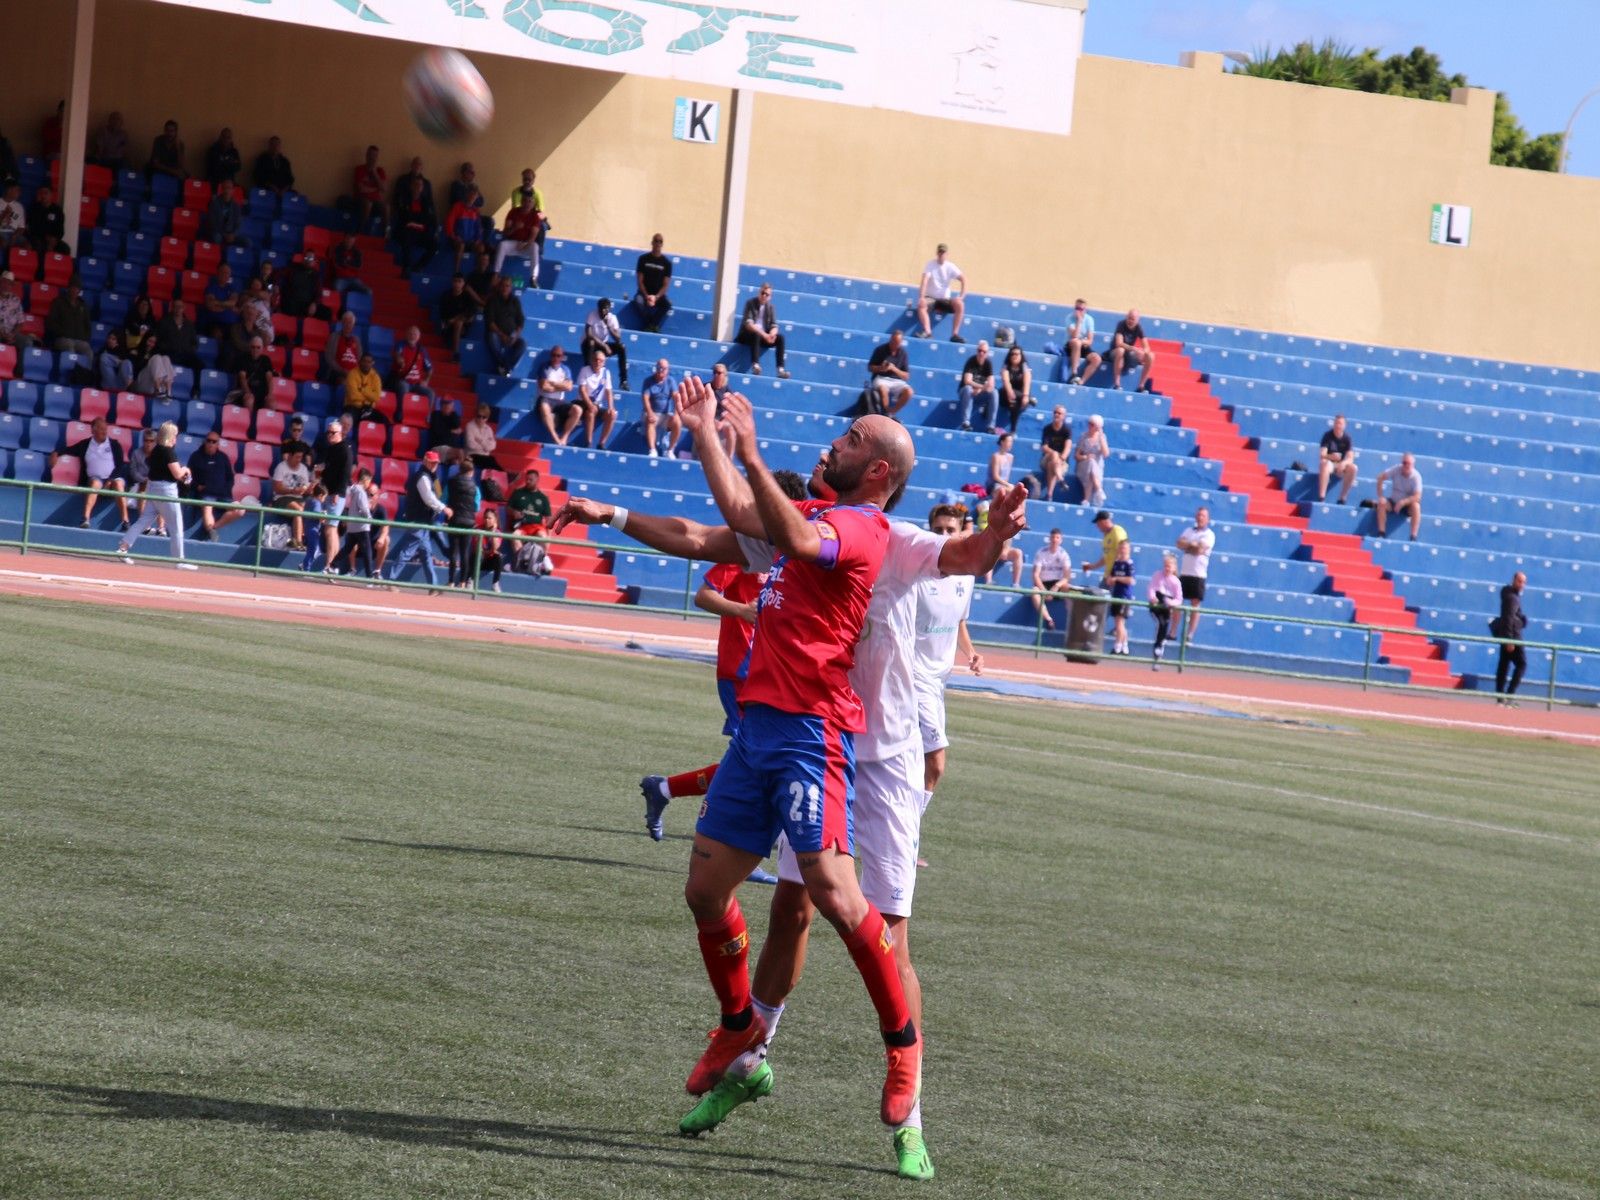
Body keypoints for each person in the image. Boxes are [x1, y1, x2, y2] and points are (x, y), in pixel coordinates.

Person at [569, 379, 1026, 1177]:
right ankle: (749, 1055)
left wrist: (992, 535)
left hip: (872, 753)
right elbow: (717, 529)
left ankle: (909, 1112)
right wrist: (622, 503)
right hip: (792, 731)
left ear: (878, 470)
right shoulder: (800, 523)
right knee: (788, 910)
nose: (835, 442)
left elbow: (966, 557)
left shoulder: (890, 536)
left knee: (882, 927)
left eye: (853, 438)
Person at [912, 503, 983, 810]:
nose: (944, 535)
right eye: (938, 529)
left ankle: (900, 839)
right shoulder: (914, 573)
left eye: (950, 530)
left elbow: (958, 622)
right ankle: (906, 841)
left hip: (939, 680)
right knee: (935, 762)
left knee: (912, 764)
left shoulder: (966, 576)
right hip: (912, 676)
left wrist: (971, 652)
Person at [117, 421, 194, 569]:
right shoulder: (168, 451)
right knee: (176, 525)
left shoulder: (156, 450)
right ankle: (179, 561)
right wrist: (186, 469)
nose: (175, 439)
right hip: (166, 491)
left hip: (153, 488)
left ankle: (123, 548)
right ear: (170, 436)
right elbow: (178, 474)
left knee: (143, 521)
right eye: (175, 436)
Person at [52, 417, 131, 529]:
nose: (104, 431)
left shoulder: (114, 444)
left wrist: (110, 479)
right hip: (96, 479)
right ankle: (85, 519)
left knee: (119, 484)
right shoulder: (85, 444)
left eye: (105, 429)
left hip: (114, 479)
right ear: (93, 430)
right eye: (101, 429)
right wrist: (56, 453)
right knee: (95, 483)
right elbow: (68, 449)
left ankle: (125, 521)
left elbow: (120, 465)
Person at [389, 451, 449, 589]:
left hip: (423, 521)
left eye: (436, 463)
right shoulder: (422, 477)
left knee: (426, 555)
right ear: (426, 461)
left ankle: (433, 587)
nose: (435, 465)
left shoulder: (431, 477)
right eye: (433, 462)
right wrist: (444, 508)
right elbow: (428, 498)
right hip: (418, 520)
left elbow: (437, 494)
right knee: (408, 552)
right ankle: (390, 580)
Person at [186, 431, 244, 541]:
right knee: (207, 507)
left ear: (218, 444)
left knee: (240, 510)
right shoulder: (196, 456)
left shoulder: (223, 458)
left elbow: (230, 477)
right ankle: (211, 532)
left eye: (214, 441)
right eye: (209, 441)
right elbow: (188, 477)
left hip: (223, 496)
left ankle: (213, 527)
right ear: (205, 442)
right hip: (206, 495)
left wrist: (226, 490)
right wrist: (197, 486)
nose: (211, 443)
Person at [313, 418, 353, 570]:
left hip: (336, 493)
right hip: (330, 491)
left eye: (333, 433)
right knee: (332, 528)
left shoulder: (344, 450)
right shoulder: (332, 449)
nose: (329, 435)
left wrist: (338, 493)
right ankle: (332, 566)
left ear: (340, 433)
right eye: (328, 432)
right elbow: (330, 469)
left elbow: (345, 473)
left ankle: (330, 565)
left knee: (330, 528)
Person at [1174, 505, 1215, 641]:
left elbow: (1200, 550)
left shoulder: (1209, 534)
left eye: (1203, 516)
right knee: (1178, 601)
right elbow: (1179, 543)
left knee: (1195, 604)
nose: (1200, 518)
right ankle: (1173, 631)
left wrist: (1189, 546)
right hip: (1185, 572)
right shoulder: (1188, 530)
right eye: (1198, 515)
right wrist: (1193, 545)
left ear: (1208, 519)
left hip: (1198, 574)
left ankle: (1189, 634)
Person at [913, 244, 965, 342]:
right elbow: (924, 280)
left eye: (943, 252)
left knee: (960, 304)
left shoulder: (950, 266)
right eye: (940, 252)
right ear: (937, 253)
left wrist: (961, 296)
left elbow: (963, 279)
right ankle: (927, 332)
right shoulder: (930, 265)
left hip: (945, 300)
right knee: (921, 304)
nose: (941, 254)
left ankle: (955, 334)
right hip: (931, 298)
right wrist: (922, 297)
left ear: (947, 254)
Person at [1493, 571, 1528, 706]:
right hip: (1512, 636)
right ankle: (1509, 695)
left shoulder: (1509, 594)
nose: (1522, 584)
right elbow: (1508, 618)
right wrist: (1510, 639)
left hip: (1506, 634)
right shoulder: (1512, 598)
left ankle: (1500, 697)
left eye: (1524, 582)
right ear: (1514, 580)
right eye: (1520, 581)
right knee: (1521, 664)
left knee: (1504, 664)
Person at [738, 284, 789, 378]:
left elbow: (774, 325)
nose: (764, 296)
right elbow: (749, 324)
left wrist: (772, 335)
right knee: (756, 333)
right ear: (759, 293)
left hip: (762, 336)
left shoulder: (771, 307)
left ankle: (780, 369)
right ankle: (755, 365)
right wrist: (764, 335)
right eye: (762, 293)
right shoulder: (750, 303)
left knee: (780, 338)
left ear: (770, 297)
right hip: (747, 335)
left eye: (767, 294)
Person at [270, 443, 314, 550]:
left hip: (299, 498)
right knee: (298, 510)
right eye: (297, 457)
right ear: (290, 456)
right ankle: (298, 542)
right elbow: (277, 488)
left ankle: (309, 541)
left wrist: (310, 487)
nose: (299, 460)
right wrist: (292, 490)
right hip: (282, 498)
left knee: (310, 508)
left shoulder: (303, 469)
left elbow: (306, 488)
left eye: (301, 457)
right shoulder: (281, 467)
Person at [534, 344, 580, 445]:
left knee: (577, 410)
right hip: (545, 399)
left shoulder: (565, 369)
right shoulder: (544, 367)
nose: (555, 358)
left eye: (558, 356)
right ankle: (555, 437)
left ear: (562, 357)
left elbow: (569, 387)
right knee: (544, 407)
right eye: (554, 355)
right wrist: (561, 386)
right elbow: (544, 387)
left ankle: (564, 437)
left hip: (559, 402)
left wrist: (553, 383)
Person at [444, 455, 479, 588]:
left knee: (454, 552)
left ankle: (451, 581)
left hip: (454, 520)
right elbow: (476, 506)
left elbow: (444, 499)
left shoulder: (451, 482)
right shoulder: (475, 487)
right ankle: (463, 582)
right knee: (465, 553)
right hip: (468, 522)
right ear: (472, 472)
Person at [393, 174, 437, 279]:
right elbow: (404, 216)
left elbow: (430, 219)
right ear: (411, 186)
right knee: (406, 238)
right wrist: (418, 220)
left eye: (420, 185)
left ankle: (418, 266)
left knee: (434, 244)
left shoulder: (426, 201)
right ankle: (406, 268)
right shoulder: (404, 198)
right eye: (416, 184)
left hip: (421, 232)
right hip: (406, 231)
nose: (418, 187)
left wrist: (414, 221)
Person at [337, 467, 379, 578]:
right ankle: (370, 577)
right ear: (365, 480)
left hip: (352, 526)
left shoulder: (353, 490)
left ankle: (331, 565)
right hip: (361, 526)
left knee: (347, 548)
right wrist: (369, 518)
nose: (369, 484)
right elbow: (364, 508)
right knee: (367, 552)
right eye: (369, 481)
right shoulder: (361, 492)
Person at [1374, 453, 1424, 540]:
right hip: (1393, 501)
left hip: (1407, 506)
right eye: (1404, 463)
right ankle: (1381, 533)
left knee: (1416, 506)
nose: (1406, 465)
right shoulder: (1396, 469)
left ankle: (1413, 536)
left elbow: (1418, 496)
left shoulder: (1416, 476)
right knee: (1382, 503)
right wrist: (1380, 495)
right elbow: (1380, 477)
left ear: (1413, 465)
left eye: (1409, 463)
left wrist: (1403, 502)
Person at [582, 296, 629, 389]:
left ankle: (623, 380)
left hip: (602, 345)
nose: (602, 313)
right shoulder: (592, 315)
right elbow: (589, 334)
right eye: (600, 310)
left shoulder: (612, 318)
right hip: (589, 344)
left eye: (605, 310)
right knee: (591, 343)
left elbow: (618, 338)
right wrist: (604, 346)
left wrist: (608, 326)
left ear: (608, 310)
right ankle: (588, 372)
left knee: (622, 347)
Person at [1030, 527, 1072, 631]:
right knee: (1034, 592)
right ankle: (1048, 620)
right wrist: (1043, 590)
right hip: (1042, 583)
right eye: (1053, 537)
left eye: (1057, 538)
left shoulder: (1063, 554)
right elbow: (1035, 575)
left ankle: (1072, 620)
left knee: (1069, 589)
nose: (1054, 540)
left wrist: (1056, 587)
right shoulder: (1041, 552)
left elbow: (1067, 577)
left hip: (1057, 584)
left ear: (1060, 540)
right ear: (1049, 539)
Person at [495, 192, 542, 283]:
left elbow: (533, 236)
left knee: (535, 247)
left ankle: (534, 277)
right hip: (513, 243)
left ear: (533, 204)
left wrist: (525, 245)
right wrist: (514, 228)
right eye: (525, 200)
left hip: (526, 244)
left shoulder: (535, 216)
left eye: (530, 201)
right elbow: (505, 233)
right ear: (521, 201)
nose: (527, 203)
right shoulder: (513, 212)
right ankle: (496, 273)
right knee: (502, 245)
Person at [1147, 553, 1183, 670]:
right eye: (1165, 566)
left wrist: (1170, 602)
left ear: (1174, 568)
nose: (1167, 568)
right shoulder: (1157, 575)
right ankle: (1158, 645)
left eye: (1169, 566)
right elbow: (1152, 588)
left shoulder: (1176, 582)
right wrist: (1153, 598)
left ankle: (1159, 649)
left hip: (1167, 607)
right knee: (1160, 623)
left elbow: (1178, 599)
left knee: (1164, 624)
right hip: (1157, 605)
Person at [483, 276, 525, 376]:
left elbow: (521, 320)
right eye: (503, 285)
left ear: (511, 288)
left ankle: (505, 367)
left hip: (511, 335)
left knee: (523, 344)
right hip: (497, 334)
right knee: (492, 337)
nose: (505, 288)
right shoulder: (492, 300)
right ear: (499, 286)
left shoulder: (515, 301)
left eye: (507, 286)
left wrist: (516, 335)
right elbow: (490, 322)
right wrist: (502, 335)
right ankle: (504, 365)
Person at [867, 329, 913, 418]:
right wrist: (881, 368)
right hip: (881, 377)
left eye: (897, 342)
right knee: (883, 389)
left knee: (909, 391)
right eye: (893, 341)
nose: (894, 344)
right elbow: (870, 367)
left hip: (896, 380)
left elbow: (906, 376)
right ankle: (886, 412)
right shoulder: (880, 350)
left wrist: (894, 369)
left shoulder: (903, 353)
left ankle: (892, 412)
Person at [576, 347, 616, 449]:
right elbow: (582, 390)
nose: (598, 362)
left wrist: (611, 407)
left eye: (601, 360)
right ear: (591, 360)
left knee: (612, 415)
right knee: (591, 411)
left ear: (604, 362)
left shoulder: (606, 373)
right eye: (596, 359)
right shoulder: (584, 370)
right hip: (583, 402)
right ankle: (589, 442)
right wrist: (589, 404)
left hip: (597, 404)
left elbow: (608, 391)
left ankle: (602, 443)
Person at [633, 233, 673, 332]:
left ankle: (651, 325)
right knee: (638, 301)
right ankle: (651, 325)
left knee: (667, 305)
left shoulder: (667, 263)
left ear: (662, 244)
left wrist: (656, 297)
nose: (658, 243)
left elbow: (665, 285)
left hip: (658, 295)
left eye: (660, 241)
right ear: (652, 242)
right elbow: (640, 281)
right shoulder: (643, 259)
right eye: (656, 240)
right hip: (643, 294)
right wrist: (647, 296)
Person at [641, 357, 681, 458]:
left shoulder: (671, 381)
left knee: (677, 422)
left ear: (668, 370)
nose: (661, 370)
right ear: (656, 368)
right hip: (653, 412)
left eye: (664, 368)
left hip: (665, 414)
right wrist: (650, 413)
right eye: (659, 367)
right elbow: (645, 398)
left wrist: (676, 414)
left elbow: (676, 397)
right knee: (650, 420)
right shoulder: (648, 381)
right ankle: (652, 450)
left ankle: (670, 450)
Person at [1109, 309, 1156, 392]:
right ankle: (1117, 384)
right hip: (1115, 352)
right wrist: (1134, 349)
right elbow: (1119, 343)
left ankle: (1141, 386)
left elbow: (1146, 346)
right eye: (1129, 318)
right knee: (1121, 350)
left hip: (1129, 355)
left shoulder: (1138, 327)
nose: (1130, 321)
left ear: (1137, 320)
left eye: (1133, 319)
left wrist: (1143, 352)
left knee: (1151, 356)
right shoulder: (1121, 324)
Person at [1083, 509, 1130, 593]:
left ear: (1103, 522)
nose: (1097, 527)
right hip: (1107, 576)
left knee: (1115, 602)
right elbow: (1106, 557)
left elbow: (1122, 553)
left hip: (1116, 576)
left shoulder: (1117, 532)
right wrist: (1092, 567)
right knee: (1100, 600)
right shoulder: (1106, 536)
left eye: (1098, 524)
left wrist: (1114, 574)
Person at [956, 339, 997, 432]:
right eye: (979, 351)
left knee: (995, 392)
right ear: (977, 351)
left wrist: (980, 390)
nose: (981, 353)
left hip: (979, 393)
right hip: (966, 392)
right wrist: (982, 387)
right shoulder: (971, 361)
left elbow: (991, 384)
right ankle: (966, 423)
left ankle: (991, 426)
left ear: (987, 353)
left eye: (984, 352)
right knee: (968, 389)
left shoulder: (988, 363)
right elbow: (967, 381)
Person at [443, 183, 485, 271]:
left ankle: (477, 272)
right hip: (457, 240)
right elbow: (449, 223)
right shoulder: (457, 206)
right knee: (461, 245)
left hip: (470, 241)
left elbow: (479, 228)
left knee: (481, 248)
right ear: (467, 194)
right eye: (471, 193)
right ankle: (457, 271)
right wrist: (453, 236)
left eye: (475, 194)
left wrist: (478, 239)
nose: (473, 196)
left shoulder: (476, 210)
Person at [1317, 414, 1359, 504]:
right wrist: (1331, 456)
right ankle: (1321, 497)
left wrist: (1343, 463)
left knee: (1353, 468)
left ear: (1344, 426)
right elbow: (1322, 454)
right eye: (1336, 423)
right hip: (1330, 464)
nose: (1337, 425)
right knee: (1324, 463)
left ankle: (1342, 498)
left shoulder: (1347, 438)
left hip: (1341, 466)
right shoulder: (1327, 436)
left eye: (1340, 423)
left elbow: (1350, 457)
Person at [45, 277, 92, 356]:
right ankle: (72, 368)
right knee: (69, 345)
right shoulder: (58, 302)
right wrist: (62, 333)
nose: (75, 290)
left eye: (77, 288)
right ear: (69, 288)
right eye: (73, 287)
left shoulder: (83, 305)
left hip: (79, 340)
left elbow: (88, 325)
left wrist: (84, 338)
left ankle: (87, 369)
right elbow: (51, 322)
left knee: (87, 349)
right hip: (62, 339)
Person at [228, 335, 275, 411]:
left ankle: (266, 423)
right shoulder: (243, 358)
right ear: (250, 347)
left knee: (272, 403)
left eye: (258, 347)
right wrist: (248, 392)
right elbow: (242, 378)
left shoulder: (266, 360)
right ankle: (249, 422)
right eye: (253, 347)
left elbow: (269, 378)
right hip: (246, 391)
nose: (255, 350)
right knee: (249, 399)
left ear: (262, 348)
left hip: (262, 393)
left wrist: (270, 394)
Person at [1036, 405, 1073, 501]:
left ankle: (1049, 494)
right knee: (1053, 455)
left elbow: (1068, 447)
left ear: (1064, 416)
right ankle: (1060, 479)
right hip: (1046, 459)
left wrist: (1060, 459)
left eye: (1059, 413)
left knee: (1052, 464)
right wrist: (1055, 454)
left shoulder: (1067, 430)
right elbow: (1044, 447)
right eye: (1055, 412)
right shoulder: (1047, 429)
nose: (1056, 415)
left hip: (1061, 463)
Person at [1106, 536, 1135, 655]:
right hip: (1116, 594)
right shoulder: (1116, 563)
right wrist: (1110, 580)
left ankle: (1117, 645)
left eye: (1125, 548)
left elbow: (1131, 580)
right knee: (1120, 623)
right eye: (1121, 548)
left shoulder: (1129, 564)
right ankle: (1125, 645)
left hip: (1124, 595)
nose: (1122, 550)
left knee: (1119, 621)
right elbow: (1110, 578)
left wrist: (1117, 578)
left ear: (1129, 549)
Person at [1064, 298, 1103, 385]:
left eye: (1081, 309)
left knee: (1097, 359)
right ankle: (1074, 373)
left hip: (1083, 345)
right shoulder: (1069, 318)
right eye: (1077, 308)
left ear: (1085, 310)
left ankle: (1081, 381)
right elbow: (1074, 336)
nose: (1078, 311)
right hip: (1071, 345)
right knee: (1076, 342)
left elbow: (1090, 341)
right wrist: (1079, 321)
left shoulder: (1089, 320)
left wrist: (1082, 342)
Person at [390, 326, 434, 402]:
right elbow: (396, 354)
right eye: (410, 334)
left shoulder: (422, 350)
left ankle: (427, 414)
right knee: (403, 387)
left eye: (415, 334)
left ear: (418, 337)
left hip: (417, 383)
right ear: (406, 335)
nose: (412, 336)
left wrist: (426, 381)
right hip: (403, 380)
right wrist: (399, 359)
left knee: (430, 393)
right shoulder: (401, 344)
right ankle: (400, 413)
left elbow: (429, 368)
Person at [1074, 413, 1109, 507]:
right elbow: (1076, 456)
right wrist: (1086, 457)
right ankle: (1099, 490)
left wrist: (1101, 437)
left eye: (1092, 424)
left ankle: (1086, 500)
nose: (1090, 426)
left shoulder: (1102, 437)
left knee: (1092, 468)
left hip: (1097, 468)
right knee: (1090, 463)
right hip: (1083, 466)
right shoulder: (1083, 437)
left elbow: (1106, 454)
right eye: (1089, 423)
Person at [437, 272, 477, 355]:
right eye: (455, 281)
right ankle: (455, 351)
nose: (457, 284)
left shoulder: (467, 296)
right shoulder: (446, 295)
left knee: (460, 322)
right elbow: (443, 314)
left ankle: (455, 352)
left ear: (463, 283)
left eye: (459, 281)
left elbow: (471, 311)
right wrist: (452, 320)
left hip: (464, 324)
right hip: (448, 324)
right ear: (452, 282)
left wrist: (456, 319)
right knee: (456, 324)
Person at [342, 353, 387, 426]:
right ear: (360, 361)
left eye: (369, 362)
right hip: (353, 406)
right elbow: (353, 396)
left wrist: (362, 390)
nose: (366, 364)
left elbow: (376, 397)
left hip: (368, 409)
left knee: (384, 421)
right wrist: (368, 398)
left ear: (373, 363)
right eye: (364, 361)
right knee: (350, 421)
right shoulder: (352, 374)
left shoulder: (375, 376)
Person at [352, 145, 388, 233]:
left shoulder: (380, 171)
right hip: (361, 199)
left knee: (387, 207)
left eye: (375, 155)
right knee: (368, 204)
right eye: (371, 155)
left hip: (376, 201)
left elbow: (384, 189)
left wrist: (375, 173)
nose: (373, 158)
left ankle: (385, 234)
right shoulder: (359, 169)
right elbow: (362, 189)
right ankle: (359, 232)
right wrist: (376, 189)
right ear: (367, 155)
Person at [205, 178, 248, 248]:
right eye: (224, 188)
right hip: (219, 232)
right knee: (217, 237)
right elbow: (212, 223)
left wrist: (233, 234)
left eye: (229, 188)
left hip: (231, 234)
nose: (227, 191)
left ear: (233, 190)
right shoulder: (214, 204)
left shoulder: (236, 206)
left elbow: (238, 223)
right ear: (221, 190)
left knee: (247, 242)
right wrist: (225, 235)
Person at [202, 263, 240, 340]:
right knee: (217, 334)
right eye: (223, 272)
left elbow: (233, 303)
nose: (225, 275)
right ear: (218, 273)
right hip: (215, 322)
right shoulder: (211, 288)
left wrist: (218, 303)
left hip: (232, 323)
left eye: (227, 273)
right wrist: (228, 306)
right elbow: (210, 305)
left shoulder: (232, 288)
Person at [998, 345, 1032, 431]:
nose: (1014, 356)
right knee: (1005, 393)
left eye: (1017, 354)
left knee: (1014, 404)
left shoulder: (1024, 367)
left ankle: (1013, 430)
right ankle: (1030, 399)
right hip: (1006, 394)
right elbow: (1006, 381)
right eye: (1012, 354)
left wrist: (1025, 395)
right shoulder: (1006, 367)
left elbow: (1027, 381)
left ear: (1021, 356)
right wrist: (1010, 392)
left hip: (1019, 397)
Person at [507, 469, 551, 534]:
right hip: (521, 526)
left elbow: (548, 517)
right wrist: (514, 512)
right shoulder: (518, 493)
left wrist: (549, 534)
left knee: (543, 536)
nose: (528, 481)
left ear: (537, 480)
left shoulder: (543, 497)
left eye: (530, 480)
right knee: (515, 536)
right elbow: (508, 508)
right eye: (527, 479)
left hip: (537, 527)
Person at [323, 311, 363, 381]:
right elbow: (329, 358)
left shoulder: (356, 340)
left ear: (353, 325)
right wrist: (343, 371)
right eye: (345, 322)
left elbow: (360, 359)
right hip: (337, 373)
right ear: (342, 323)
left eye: (350, 323)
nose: (347, 325)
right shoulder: (334, 337)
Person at [27, 185, 67, 254]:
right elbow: (31, 226)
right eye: (41, 193)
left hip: (53, 238)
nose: (43, 196)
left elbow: (60, 229)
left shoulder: (57, 210)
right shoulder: (34, 208)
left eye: (46, 193)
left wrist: (55, 239)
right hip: (38, 237)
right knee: (38, 245)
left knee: (65, 249)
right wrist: (45, 236)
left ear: (51, 195)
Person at [463, 401, 502, 471]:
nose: (481, 419)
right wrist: (485, 447)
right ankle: (504, 475)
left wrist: (480, 441)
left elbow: (493, 446)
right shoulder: (469, 426)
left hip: (485, 456)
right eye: (479, 416)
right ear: (476, 415)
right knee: (490, 461)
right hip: (472, 455)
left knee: (491, 459)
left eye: (484, 417)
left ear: (487, 418)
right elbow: (471, 445)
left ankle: (504, 475)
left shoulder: (489, 429)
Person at [0, 270, 34, 350]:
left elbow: (20, 322)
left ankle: (19, 363)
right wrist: (2, 334)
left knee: (27, 342)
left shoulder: (16, 300)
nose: (6, 286)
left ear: (12, 286)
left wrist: (13, 334)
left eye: (9, 284)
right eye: (4, 282)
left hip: (11, 333)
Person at [330, 232, 369, 296]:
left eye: (352, 241)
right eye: (348, 240)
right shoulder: (338, 249)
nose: (349, 242)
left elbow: (358, 265)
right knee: (336, 289)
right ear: (344, 239)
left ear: (354, 241)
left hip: (354, 279)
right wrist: (351, 264)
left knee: (368, 291)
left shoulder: (357, 252)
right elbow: (337, 264)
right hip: (341, 278)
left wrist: (346, 263)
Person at [98, 328, 136, 393]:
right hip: (108, 382)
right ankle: (119, 363)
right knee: (104, 357)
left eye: (113, 339)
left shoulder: (123, 352)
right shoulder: (103, 350)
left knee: (127, 362)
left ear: (118, 341)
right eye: (109, 338)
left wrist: (116, 350)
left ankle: (130, 387)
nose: (110, 340)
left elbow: (128, 366)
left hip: (121, 384)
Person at [0, 183, 28, 249]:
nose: (19, 193)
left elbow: (21, 227)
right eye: (17, 190)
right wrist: (4, 214)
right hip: (1, 232)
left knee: (27, 245)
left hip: (13, 233)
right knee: (2, 242)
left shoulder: (19, 206)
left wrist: (15, 236)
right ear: (9, 190)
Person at [986, 431, 1014, 496]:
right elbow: (995, 477)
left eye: (1011, 442)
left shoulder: (1010, 457)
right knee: (1012, 491)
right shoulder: (996, 456)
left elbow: (1007, 477)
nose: (1011, 444)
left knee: (1019, 492)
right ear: (1002, 442)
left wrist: (1007, 485)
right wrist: (1008, 485)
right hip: (993, 486)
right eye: (1009, 441)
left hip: (1003, 485)